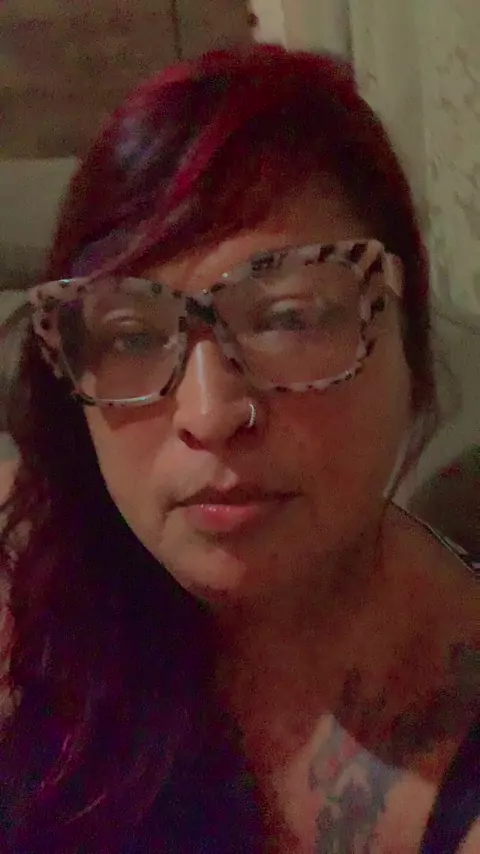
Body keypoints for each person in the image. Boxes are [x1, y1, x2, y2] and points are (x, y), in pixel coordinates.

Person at [0, 44, 478, 854]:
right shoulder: (46, 589)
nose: (210, 413)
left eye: (289, 318)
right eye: (131, 334)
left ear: (408, 342)